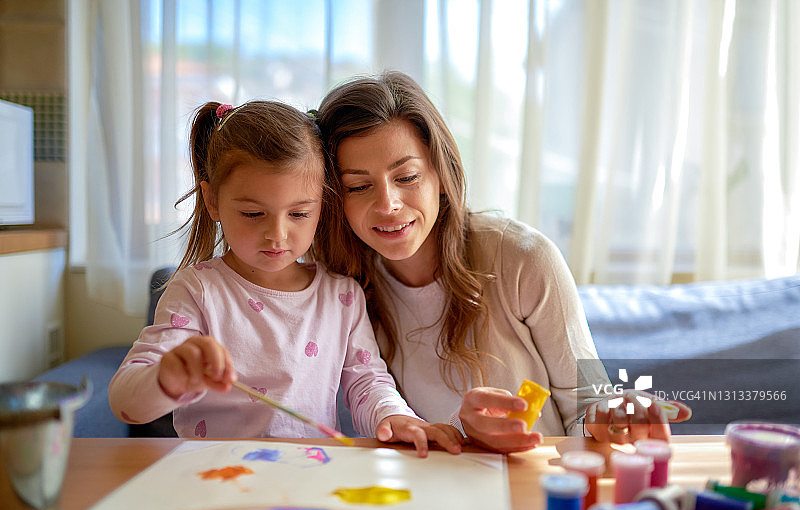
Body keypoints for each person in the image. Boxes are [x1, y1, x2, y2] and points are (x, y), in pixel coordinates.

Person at [315, 71, 691, 453]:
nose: (387, 204)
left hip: (535, 482)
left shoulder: (524, 259)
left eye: (407, 176)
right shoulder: (341, 287)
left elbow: (588, 400)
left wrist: (610, 416)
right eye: (358, 186)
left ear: (441, 175)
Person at [108, 100, 462, 457]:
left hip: (310, 479)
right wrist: (164, 379)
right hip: (217, 479)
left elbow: (368, 383)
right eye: (253, 213)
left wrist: (395, 417)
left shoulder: (342, 296)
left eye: (299, 213)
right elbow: (125, 403)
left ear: (322, 206)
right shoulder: (197, 291)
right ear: (212, 201)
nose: (277, 234)